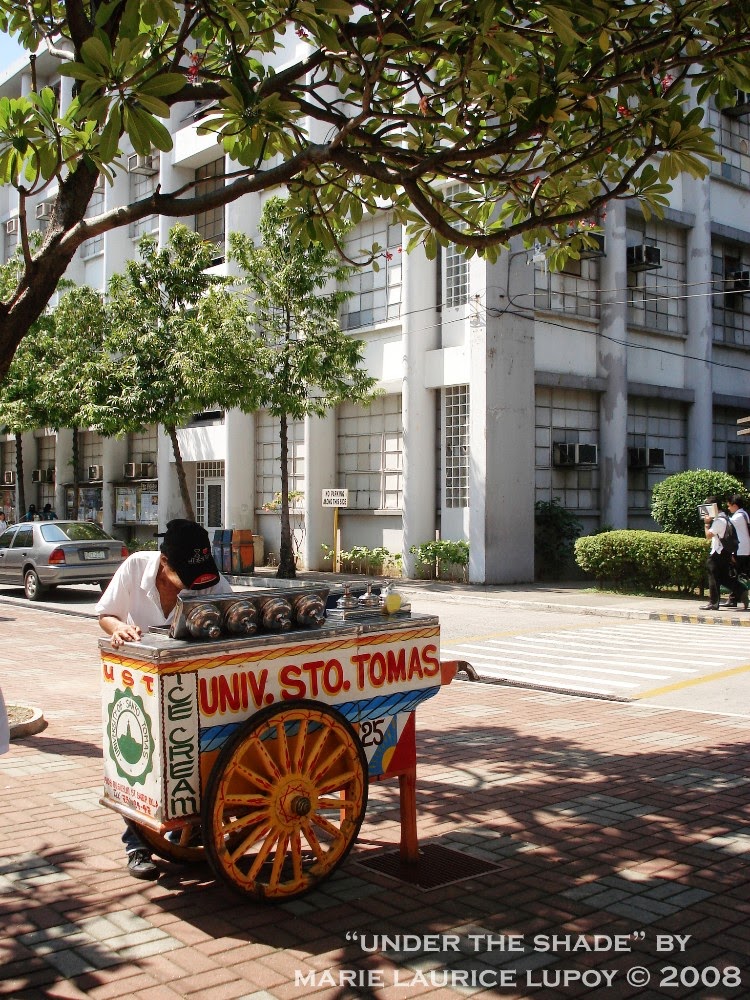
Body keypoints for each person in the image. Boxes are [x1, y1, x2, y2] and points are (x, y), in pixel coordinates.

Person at [95, 518, 234, 879]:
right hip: (140, 681)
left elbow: (232, 621)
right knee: (140, 756)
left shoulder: (211, 581)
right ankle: (137, 844)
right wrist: (120, 628)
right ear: (164, 562)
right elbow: (105, 614)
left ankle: (191, 825)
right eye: (185, 574)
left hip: (195, 682)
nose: (195, 582)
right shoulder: (135, 567)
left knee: (195, 757)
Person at [700, 495, 746, 611]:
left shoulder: (719, 521)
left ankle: (714, 603)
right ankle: (741, 590)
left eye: (708, 508)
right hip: (724, 552)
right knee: (724, 577)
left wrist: (706, 523)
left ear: (714, 508)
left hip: (718, 552)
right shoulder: (724, 517)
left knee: (713, 575)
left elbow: (708, 536)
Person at [726, 494, 750, 608]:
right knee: (739, 574)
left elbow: (726, 523)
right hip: (745, 549)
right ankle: (733, 598)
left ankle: (734, 598)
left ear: (735, 506)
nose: (728, 508)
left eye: (729, 506)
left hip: (739, 550)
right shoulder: (744, 514)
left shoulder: (738, 517)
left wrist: (715, 515)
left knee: (734, 574)